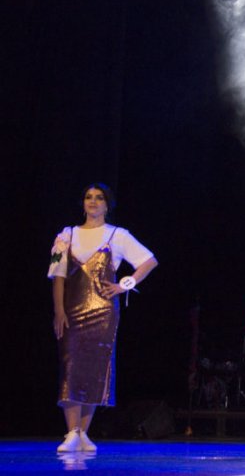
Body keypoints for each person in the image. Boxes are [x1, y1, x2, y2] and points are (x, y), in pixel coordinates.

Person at [48, 183, 158, 453]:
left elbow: (149, 261)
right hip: (72, 310)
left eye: (99, 198)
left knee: (96, 368)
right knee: (71, 365)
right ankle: (72, 431)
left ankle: (83, 433)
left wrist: (124, 285)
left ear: (107, 205)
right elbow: (58, 276)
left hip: (103, 312)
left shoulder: (117, 235)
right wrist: (59, 310)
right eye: (89, 197)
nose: (93, 201)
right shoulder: (66, 235)